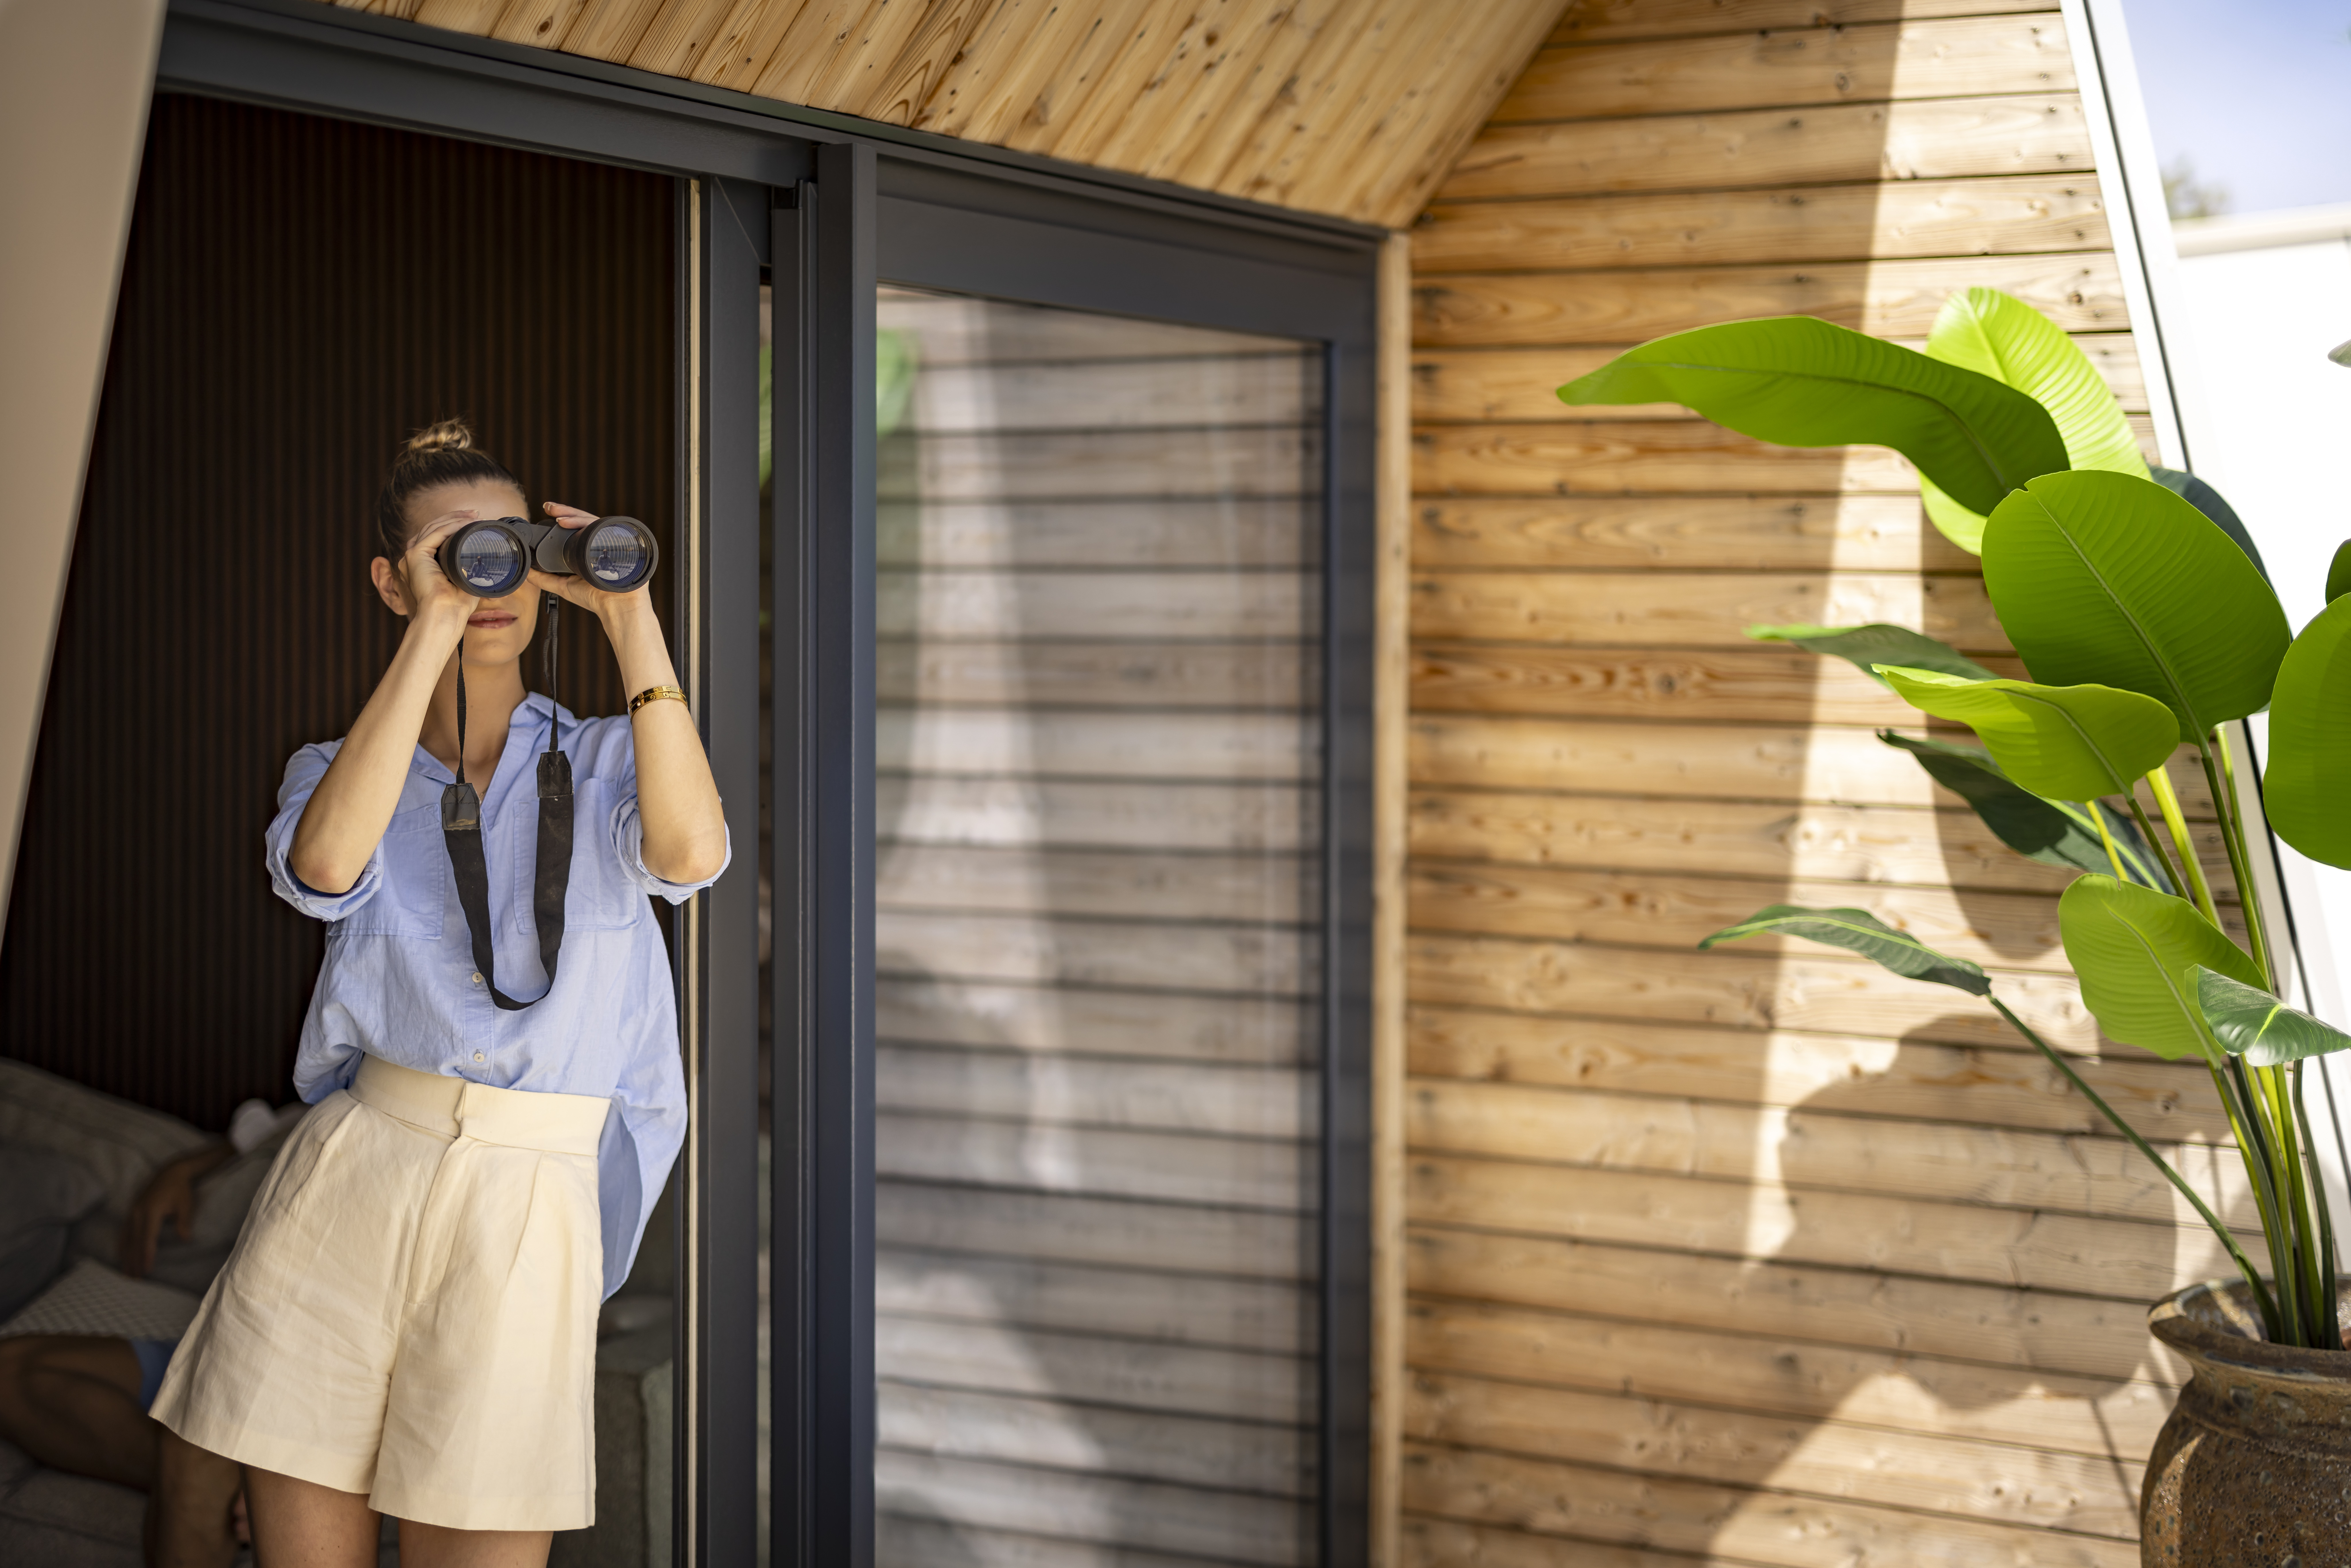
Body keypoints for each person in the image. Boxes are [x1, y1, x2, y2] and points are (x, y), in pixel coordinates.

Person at [150, 421, 728, 1568]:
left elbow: (690, 852)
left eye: (508, 549)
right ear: (389, 579)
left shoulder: (609, 759)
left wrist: (627, 613)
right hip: (354, 1180)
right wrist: (434, 627)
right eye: (453, 553)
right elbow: (325, 867)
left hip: (528, 1197)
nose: (488, 577)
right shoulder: (336, 769)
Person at [0, 1141, 251, 1567]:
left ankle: (217, 1480)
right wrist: (182, 1168)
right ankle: (221, 1485)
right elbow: (255, 1130)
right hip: (226, 1350)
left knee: (194, 1446)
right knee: (8, 1370)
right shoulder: (313, 1118)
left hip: (315, 1380)